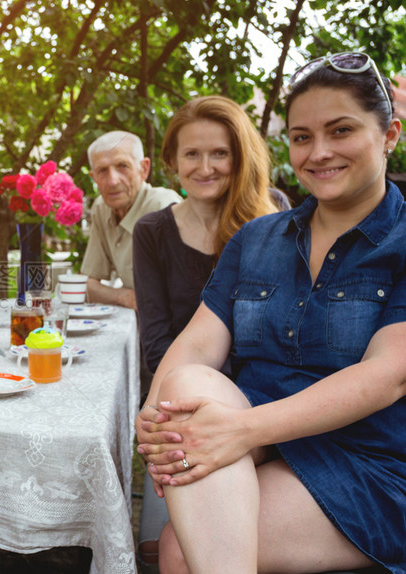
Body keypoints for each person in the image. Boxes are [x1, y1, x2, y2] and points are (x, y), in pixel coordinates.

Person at [136, 52, 405, 573]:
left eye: (341, 130)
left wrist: (242, 430)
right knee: (187, 379)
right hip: (254, 441)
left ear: (390, 134)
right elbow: (195, 344)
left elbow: (386, 378)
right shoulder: (257, 238)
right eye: (302, 136)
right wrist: (153, 415)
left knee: (178, 550)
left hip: (366, 459)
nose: (319, 152)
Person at [131, 95, 281, 571]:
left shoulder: (275, 217)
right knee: (168, 546)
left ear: (239, 156)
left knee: (181, 540)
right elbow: (157, 341)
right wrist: (191, 400)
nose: (205, 166)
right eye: (192, 154)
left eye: (219, 153)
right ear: (173, 162)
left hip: (270, 400)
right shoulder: (153, 231)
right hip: (186, 393)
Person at [81, 131, 182, 310]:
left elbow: (179, 293)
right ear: (93, 178)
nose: (112, 181)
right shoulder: (102, 208)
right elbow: (88, 286)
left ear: (144, 169)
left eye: (122, 166)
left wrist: (126, 297)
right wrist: (125, 296)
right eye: (102, 170)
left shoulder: (163, 207)